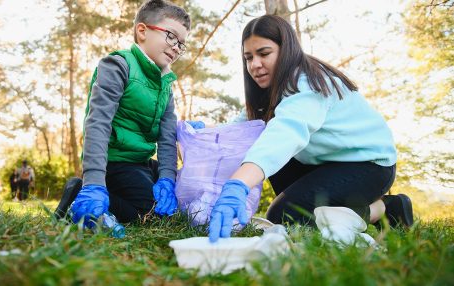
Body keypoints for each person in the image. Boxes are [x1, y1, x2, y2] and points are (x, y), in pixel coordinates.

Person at [207, 15, 413, 242]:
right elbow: (243, 128)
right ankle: (332, 212)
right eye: (249, 57)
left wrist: (238, 184)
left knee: (286, 215)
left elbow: (285, 134)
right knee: (264, 143)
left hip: (369, 166)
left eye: (264, 54)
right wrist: (202, 132)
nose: (255, 64)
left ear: (285, 50)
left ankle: (385, 208)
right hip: (323, 164)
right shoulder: (271, 89)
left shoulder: (307, 83)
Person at [54, 0, 191, 228]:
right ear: (142, 31)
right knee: (150, 216)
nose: (176, 47)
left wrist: (167, 178)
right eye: (171, 36)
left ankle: (128, 197)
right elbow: (97, 124)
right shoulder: (118, 65)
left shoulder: (165, 85)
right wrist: (94, 182)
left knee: (178, 200)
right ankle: (79, 193)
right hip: (115, 162)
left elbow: (167, 138)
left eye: (181, 43)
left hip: (142, 162)